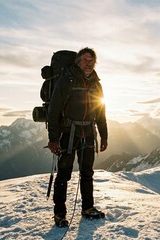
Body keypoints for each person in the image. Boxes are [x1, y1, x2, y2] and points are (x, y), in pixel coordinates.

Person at [47, 47, 108, 226]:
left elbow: (101, 112)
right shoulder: (67, 81)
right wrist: (53, 139)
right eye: (85, 60)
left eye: (91, 60)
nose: (88, 63)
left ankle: (87, 208)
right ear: (78, 61)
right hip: (68, 133)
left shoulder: (97, 83)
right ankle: (59, 214)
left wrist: (104, 136)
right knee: (64, 174)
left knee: (87, 172)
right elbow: (54, 110)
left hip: (88, 134)